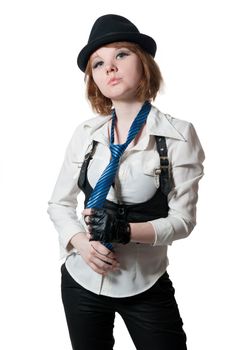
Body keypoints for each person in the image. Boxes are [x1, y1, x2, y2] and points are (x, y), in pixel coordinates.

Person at [47, 14, 205, 350]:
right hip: (81, 280)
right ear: (94, 79)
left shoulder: (178, 135)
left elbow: (184, 221)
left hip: (145, 284)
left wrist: (127, 231)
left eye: (121, 54)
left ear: (144, 63)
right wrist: (81, 243)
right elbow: (59, 204)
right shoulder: (86, 134)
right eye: (98, 63)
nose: (110, 68)